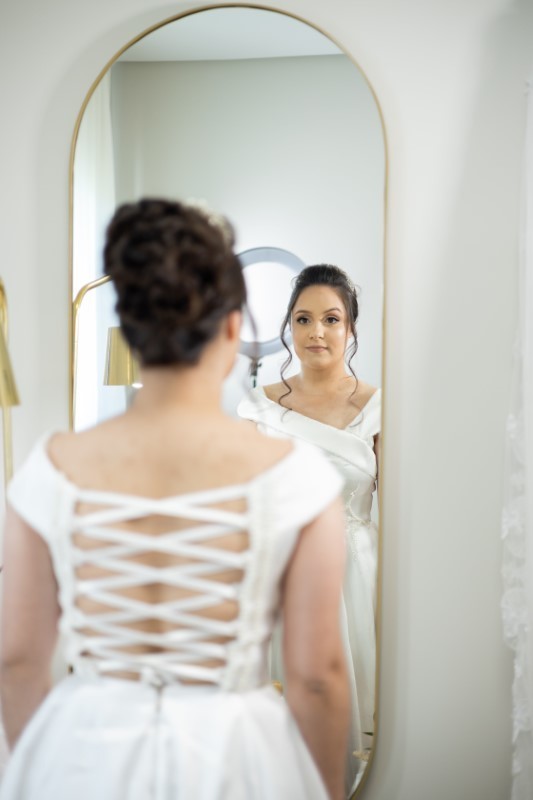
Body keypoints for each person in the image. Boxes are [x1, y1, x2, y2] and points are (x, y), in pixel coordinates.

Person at [0, 201, 350, 800]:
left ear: (131, 332)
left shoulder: (51, 468)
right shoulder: (294, 477)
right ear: (233, 328)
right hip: (235, 758)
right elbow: (317, 678)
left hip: (84, 756)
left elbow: (16, 661)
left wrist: (49, 766)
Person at [238, 264, 380, 796]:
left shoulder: (378, 407)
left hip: (356, 575)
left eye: (331, 319)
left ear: (351, 328)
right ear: (289, 327)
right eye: (303, 319)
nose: (316, 332)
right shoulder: (259, 407)